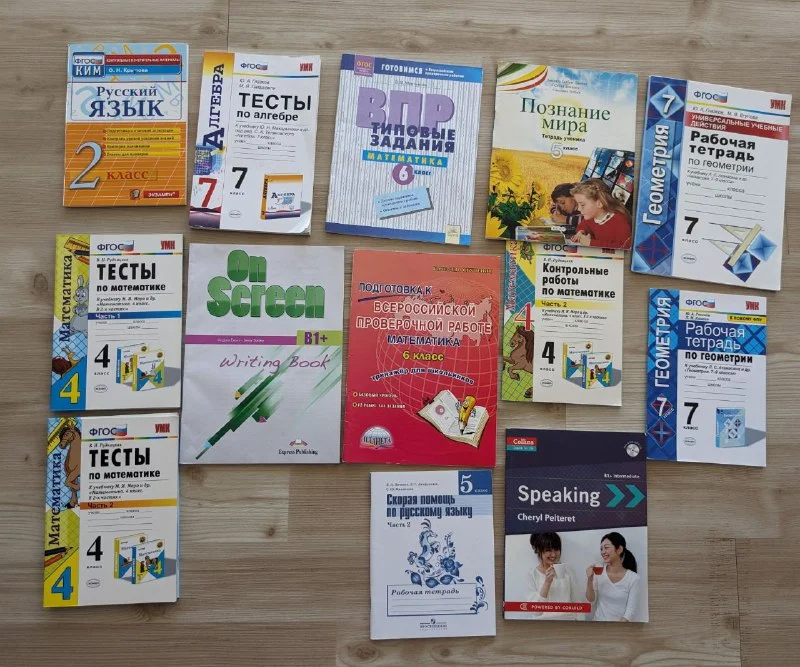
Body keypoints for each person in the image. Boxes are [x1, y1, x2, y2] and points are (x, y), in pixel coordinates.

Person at [585, 532, 641, 622]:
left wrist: (615, 629)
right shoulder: (598, 570)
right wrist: (590, 579)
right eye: (601, 549)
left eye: (606, 547)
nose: (603, 552)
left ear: (619, 549)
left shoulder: (633, 578)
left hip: (619, 627)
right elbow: (591, 601)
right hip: (598, 623)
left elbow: (629, 613)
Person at [570, 179, 632, 249]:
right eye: (577, 204)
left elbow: (625, 248)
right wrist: (581, 232)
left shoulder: (620, 221)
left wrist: (590, 243)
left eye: (582, 205)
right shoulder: (592, 218)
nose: (579, 209)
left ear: (599, 203)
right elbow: (583, 225)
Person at [528, 532, 578, 620]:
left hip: (567, 620)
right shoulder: (531, 574)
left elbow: (576, 601)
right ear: (539, 550)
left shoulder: (568, 570)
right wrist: (547, 582)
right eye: (548, 550)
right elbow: (535, 611)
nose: (554, 554)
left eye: (556, 549)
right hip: (542, 622)